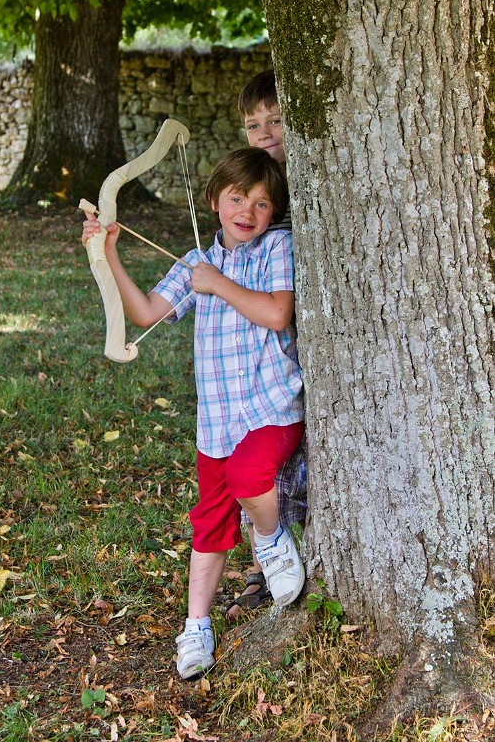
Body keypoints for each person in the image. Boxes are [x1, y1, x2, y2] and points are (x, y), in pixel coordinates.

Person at [82, 147, 306, 680]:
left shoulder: (277, 247)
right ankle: (197, 625)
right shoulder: (194, 263)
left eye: (260, 203)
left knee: (250, 474)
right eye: (236, 199)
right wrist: (108, 253)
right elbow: (144, 312)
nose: (247, 211)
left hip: (271, 405)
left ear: (274, 213)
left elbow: (277, 313)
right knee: (209, 521)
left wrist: (219, 285)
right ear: (213, 201)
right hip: (218, 422)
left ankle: (272, 540)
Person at [225, 70, 308, 622]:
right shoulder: (256, 184)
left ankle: (281, 545)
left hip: (294, 332)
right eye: (254, 124)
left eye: (275, 120)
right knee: (257, 455)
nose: (266, 132)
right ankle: (263, 561)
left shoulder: (302, 176)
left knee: (286, 450)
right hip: (258, 337)